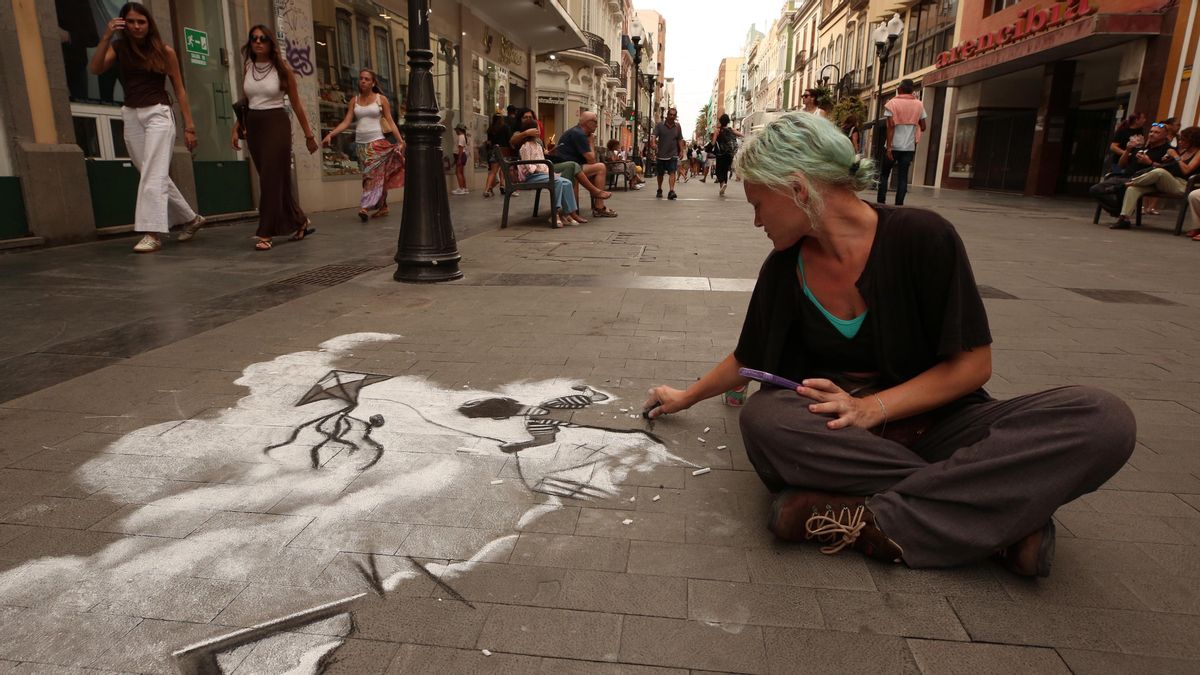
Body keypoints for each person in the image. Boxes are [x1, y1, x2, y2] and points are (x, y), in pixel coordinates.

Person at [643, 112, 1134, 577]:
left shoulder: (923, 236)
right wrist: (686, 396)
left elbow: (973, 366)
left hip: (939, 420)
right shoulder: (785, 267)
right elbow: (749, 359)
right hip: (844, 436)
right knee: (766, 420)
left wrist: (873, 407)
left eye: (757, 205)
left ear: (796, 189)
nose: (756, 222)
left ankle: (869, 516)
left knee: (1103, 418)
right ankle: (996, 512)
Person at [88, 2, 204, 253]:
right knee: (152, 173)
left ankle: (152, 233)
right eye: (130, 21)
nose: (136, 26)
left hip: (158, 113)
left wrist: (190, 126)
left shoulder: (164, 51)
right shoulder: (118, 48)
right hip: (131, 114)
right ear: (123, 23)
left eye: (141, 22)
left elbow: (180, 89)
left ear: (149, 24)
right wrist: (106, 36)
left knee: (153, 173)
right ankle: (191, 218)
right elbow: (95, 68)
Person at [229, 26, 320, 251]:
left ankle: (266, 232)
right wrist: (237, 127)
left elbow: (296, 104)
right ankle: (299, 221)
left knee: (270, 179)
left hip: (276, 123)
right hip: (254, 125)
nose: (258, 42)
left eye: (263, 39)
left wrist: (309, 135)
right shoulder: (248, 67)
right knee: (274, 180)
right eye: (254, 39)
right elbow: (247, 100)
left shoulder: (283, 69)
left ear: (271, 43)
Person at [320, 69, 404, 224]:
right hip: (360, 145)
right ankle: (383, 206)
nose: (363, 81)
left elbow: (390, 121)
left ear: (373, 83)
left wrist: (400, 141)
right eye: (361, 78)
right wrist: (331, 134)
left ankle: (364, 207)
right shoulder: (354, 100)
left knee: (371, 175)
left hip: (377, 143)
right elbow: (346, 122)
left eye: (367, 79)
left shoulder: (381, 99)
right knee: (369, 176)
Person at [1109, 125, 1199, 230]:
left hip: (1182, 185)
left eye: (1183, 140)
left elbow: (1187, 170)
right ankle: (1124, 219)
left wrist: (1175, 156)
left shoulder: (1198, 153)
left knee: (1159, 172)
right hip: (1167, 181)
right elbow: (1170, 167)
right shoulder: (1183, 151)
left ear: (1192, 141)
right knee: (1133, 189)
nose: (1180, 142)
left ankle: (1127, 183)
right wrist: (1167, 160)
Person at [1091, 121, 1175, 221]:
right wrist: (1127, 150)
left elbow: (1166, 170)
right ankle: (1119, 211)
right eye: (1151, 132)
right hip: (1125, 176)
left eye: (1157, 132)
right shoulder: (1142, 148)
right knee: (1095, 189)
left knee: (1122, 188)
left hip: (1142, 181)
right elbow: (1121, 165)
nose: (1152, 134)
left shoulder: (1169, 151)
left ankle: (1122, 214)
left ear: (1165, 135)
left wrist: (1149, 162)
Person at [510, 115, 580, 228]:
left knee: (567, 182)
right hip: (532, 176)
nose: (539, 131)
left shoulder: (538, 146)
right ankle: (554, 213)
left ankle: (567, 213)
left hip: (542, 173)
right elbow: (528, 166)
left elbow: (543, 162)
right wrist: (543, 170)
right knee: (557, 181)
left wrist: (547, 170)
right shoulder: (525, 146)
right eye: (536, 129)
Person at [552, 111, 617, 217]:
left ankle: (595, 203)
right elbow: (591, 160)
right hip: (567, 168)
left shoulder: (576, 132)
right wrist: (591, 142)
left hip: (571, 166)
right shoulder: (579, 134)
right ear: (588, 123)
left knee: (596, 170)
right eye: (595, 122)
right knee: (600, 167)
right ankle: (599, 206)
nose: (597, 125)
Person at [877, 79, 927, 206]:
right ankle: (899, 204)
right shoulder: (919, 105)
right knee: (903, 177)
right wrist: (913, 121)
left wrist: (889, 148)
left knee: (884, 174)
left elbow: (890, 126)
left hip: (893, 146)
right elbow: (923, 126)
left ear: (900, 89)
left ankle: (881, 202)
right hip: (908, 147)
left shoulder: (892, 103)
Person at [651, 107, 686, 200]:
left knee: (672, 172)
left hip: (673, 154)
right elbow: (654, 135)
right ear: (667, 115)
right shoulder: (660, 125)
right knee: (660, 174)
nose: (672, 116)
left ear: (675, 116)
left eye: (674, 115)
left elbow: (680, 139)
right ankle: (659, 189)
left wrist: (681, 150)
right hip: (661, 154)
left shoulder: (677, 126)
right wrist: (653, 143)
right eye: (670, 114)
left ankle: (671, 191)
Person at [711, 113, 743, 197]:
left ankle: (722, 183)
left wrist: (712, 145)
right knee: (725, 171)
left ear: (720, 121)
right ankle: (722, 188)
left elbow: (713, 142)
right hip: (729, 154)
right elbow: (741, 134)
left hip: (720, 153)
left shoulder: (717, 130)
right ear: (728, 121)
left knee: (719, 171)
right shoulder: (731, 129)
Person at [483, 114, 511, 198]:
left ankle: (486, 190)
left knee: (493, 171)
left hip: (494, 150)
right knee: (503, 169)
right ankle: (502, 185)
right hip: (504, 151)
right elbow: (509, 139)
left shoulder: (491, 128)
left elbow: (489, 142)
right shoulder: (505, 127)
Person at [450, 123, 470, 195]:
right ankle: (464, 188)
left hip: (460, 156)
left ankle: (461, 188)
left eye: (456, 130)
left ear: (459, 130)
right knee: (461, 172)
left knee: (458, 172)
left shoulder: (461, 137)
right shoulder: (462, 136)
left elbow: (460, 148)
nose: (455, 131)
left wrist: (459, 159)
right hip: (460, 156)